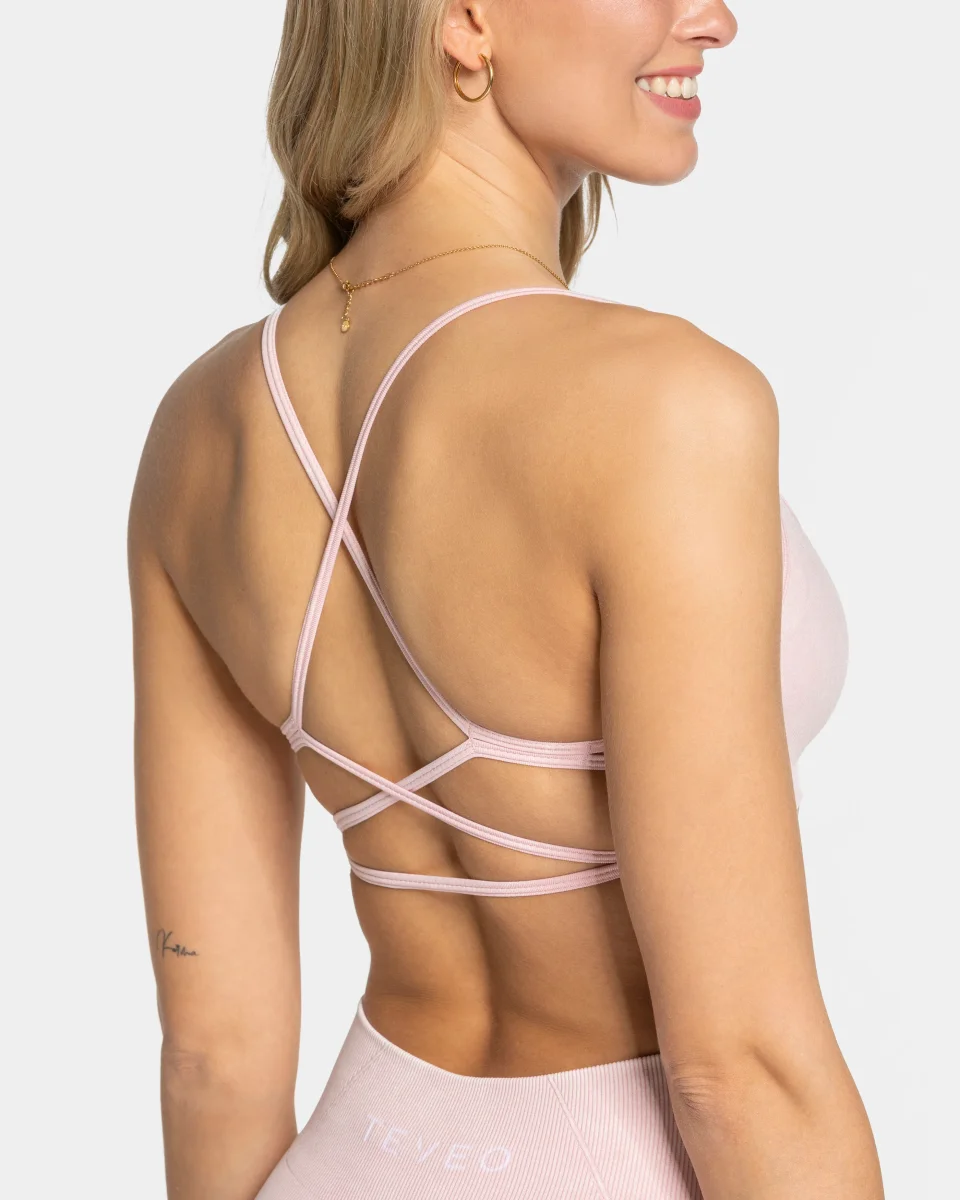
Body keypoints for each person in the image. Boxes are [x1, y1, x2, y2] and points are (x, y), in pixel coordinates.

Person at [128, 2, 885, 1197]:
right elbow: (742, 1073)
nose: (716, 19)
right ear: (468, 21)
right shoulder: (663, 401)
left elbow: (212, 1056)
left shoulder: (198, 430)